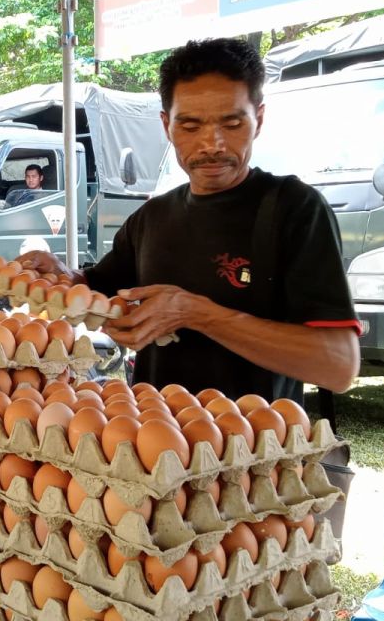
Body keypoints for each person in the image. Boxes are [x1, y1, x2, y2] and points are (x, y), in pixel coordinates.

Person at [19, 38, 360, 402]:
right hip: (153, 439)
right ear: (166, 125)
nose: (211, 144)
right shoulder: (152, 217)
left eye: (231, 123)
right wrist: (62, 276)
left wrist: (198, 314)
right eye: (190, 126)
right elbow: (97, 292)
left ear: (258, 119)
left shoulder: (294, 209)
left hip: (251, 447)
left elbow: (338, 365)